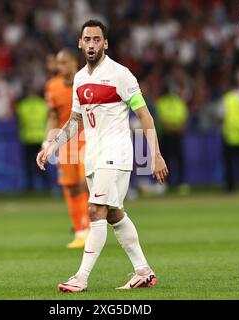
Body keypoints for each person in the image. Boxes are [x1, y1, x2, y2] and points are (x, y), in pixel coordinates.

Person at [37, 20, 168, 292]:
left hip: (116, 153)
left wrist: (154, 154)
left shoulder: (121, 75)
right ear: (80, 43)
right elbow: (75, 120)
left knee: (95, 210)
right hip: (93, 155)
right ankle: (143, 270)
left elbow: (144, 115)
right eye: (88, 39)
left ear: (105, 44)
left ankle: (81, 277)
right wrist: (51, 145)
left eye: (97, 39)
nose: (92, 44)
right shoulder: (80, 79)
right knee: (113, 214)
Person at [43, 49, 91, 249]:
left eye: (65, 62)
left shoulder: (86, 81)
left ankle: (89, 229)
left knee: (85, 183)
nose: (61, 66)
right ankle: (79, 232)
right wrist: (48, 141)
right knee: (70, 187)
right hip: (66, 142)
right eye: (59, 63)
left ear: (74, 62)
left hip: (88, 139)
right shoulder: (53, 86)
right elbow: (53, 115)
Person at [16, 86, 52, 191]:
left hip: (27, 138)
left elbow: (19, 122)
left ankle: (30, 187)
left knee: (28, 165)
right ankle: (47, 187)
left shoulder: (22, 105)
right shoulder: (43, 104)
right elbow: (49, 120)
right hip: (40, 138)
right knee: (41, 164)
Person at [155, 87, 189, 194]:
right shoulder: (161, 102)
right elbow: (160, 119)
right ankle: (165, 183)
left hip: (177, 135)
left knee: (179, 159)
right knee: (166, 160)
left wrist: (177, 128)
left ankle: (181, 182)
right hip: (166, 135)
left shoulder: (179, 102)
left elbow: (184, 118)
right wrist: (173, 128)